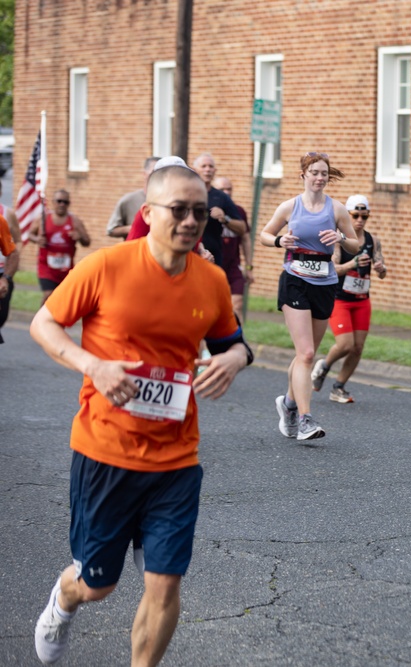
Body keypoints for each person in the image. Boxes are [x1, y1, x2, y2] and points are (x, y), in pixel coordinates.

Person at [30, 159, 252, 666]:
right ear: (148, 212)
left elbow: (234, 343)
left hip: (176, 458)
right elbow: (44, 324)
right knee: (97, 584)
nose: (192, 221)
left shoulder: (211, 280)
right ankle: (64, 600)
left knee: (165, 581)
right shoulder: (105, 268)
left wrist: (234, 360)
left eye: (199, 211)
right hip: (105, 451)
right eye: (179, 210)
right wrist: (94, 366)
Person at [259, 152, 362, 440]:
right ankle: (305, 418)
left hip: (325, 282)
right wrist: (280, 240)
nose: (319, 177)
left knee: (306, 354)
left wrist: (340, 239)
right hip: (295, 280)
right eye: (314, 172)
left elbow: (354, 245)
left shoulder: (337, 209)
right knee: (305, 353)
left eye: (324, 173)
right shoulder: (290, 206)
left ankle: (289, 404)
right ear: (303, 175)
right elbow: (265, 234)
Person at [310, 194, 387, 403]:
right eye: (355, 215)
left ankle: (339, 387)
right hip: (340, 298)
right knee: (345, 344)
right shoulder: (338, 239)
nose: (360, 220)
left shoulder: (373, 241)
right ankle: (324, 366)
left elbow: (381, 271)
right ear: (348, 215)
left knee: (358, 347)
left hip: (362, 299)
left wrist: (381, 268)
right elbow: (332, 268)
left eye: (364, 216)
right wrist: (352, 264)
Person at [27, 189, 91, 305]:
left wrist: (79, 236)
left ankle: (56, 322)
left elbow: (87, 241)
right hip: (46, 266)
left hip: (65, 268)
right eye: (59, 201)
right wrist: (38, 239)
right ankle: (41, 320)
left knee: (63, 300)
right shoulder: (43, 218)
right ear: (53, 202)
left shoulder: (74, 221)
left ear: (69, 204)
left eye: (65, 202)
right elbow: (30, 234)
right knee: (49, 295)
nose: (62, 204)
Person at [212, 176, 254, 314]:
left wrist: (248, 267)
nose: (226, 192)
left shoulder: (238, 212)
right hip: (213, 266)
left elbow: (246, 239)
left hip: (233, 266)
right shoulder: (207, 210)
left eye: (229, 189)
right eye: (222, 189)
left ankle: (238, 335)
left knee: (237, 305)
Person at [106, 156, 159, 238]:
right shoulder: (129, 200)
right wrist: (135, 228)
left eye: (160, 172)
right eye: (153, 172)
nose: (157, 176)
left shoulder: (168, 202)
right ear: (144, 174)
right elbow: (111, 230)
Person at [0, 183, 21, 344]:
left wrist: (5, 277)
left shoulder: (3, 219)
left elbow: (13, 251)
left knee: (2, 315)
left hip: (1, 270)